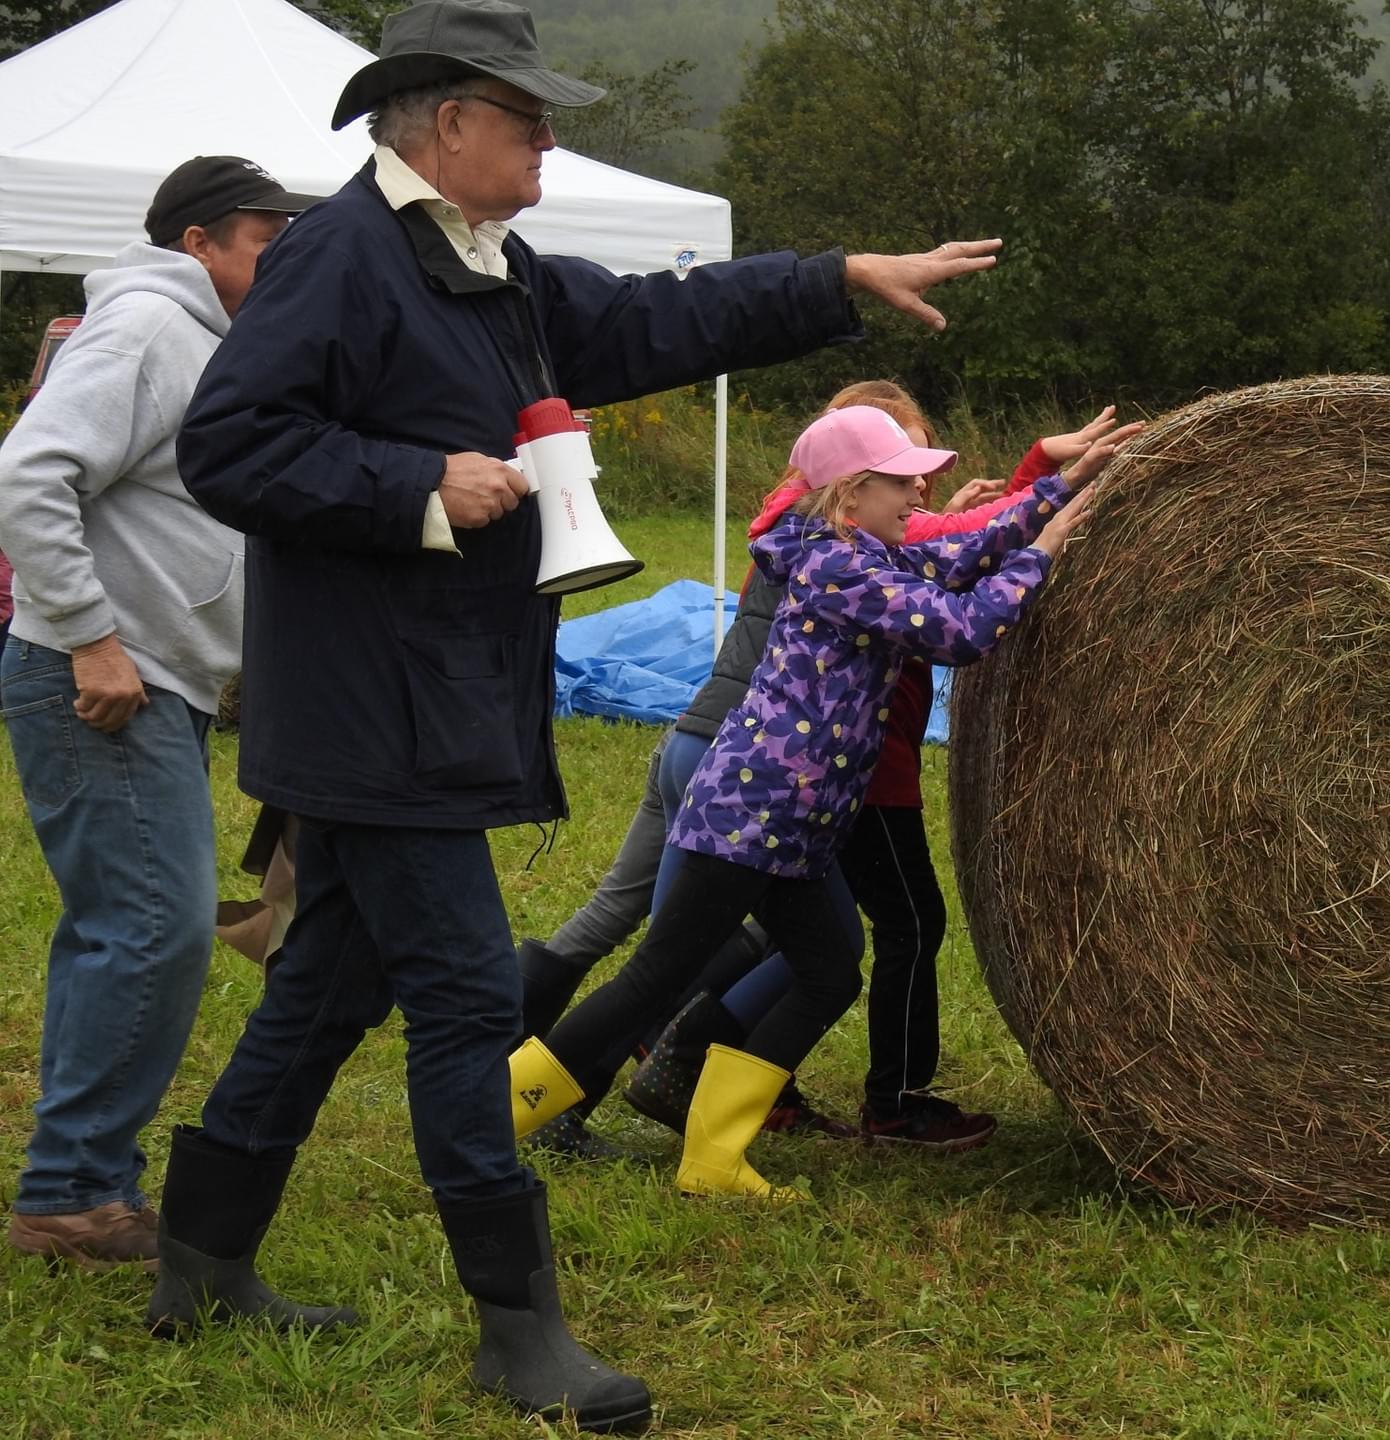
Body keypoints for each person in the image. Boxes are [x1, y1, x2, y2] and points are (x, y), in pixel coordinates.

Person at [152, 2, 1001, 1434]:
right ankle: (517, 1327)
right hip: (374, 717)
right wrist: (419, 485)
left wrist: (835, 277)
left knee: (325, 990)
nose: (550, 133)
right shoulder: (341, 260)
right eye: (526, 112)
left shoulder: (489, 264)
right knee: (472, 1001)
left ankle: (200, 1260)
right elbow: (230, 442)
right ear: (443, 124)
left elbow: (652, 318)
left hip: (419, 709)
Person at [506, 404, 1130, 1205]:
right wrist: (1042, 551)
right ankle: (496, 1117)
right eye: (903, 481)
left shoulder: (870, 554)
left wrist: (1059, 488)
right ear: (849, 496)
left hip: (794, 824)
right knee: (657, 979)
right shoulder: (841, 570)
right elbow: (961, 629)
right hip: (749, 815)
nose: (921, 492)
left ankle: (714, 1154)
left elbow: (965, 553)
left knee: (830, 970)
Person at [0, 157, 319, 1271]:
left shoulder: (205, 340)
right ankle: (74, 1198)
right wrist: (92, 636)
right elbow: (28, 473)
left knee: (125, 929)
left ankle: (77, 1184)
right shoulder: (145, 327)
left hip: (149, 676)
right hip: (101, 676)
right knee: (153, 928)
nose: (284, 254)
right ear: (199, 241)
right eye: (268, 236)